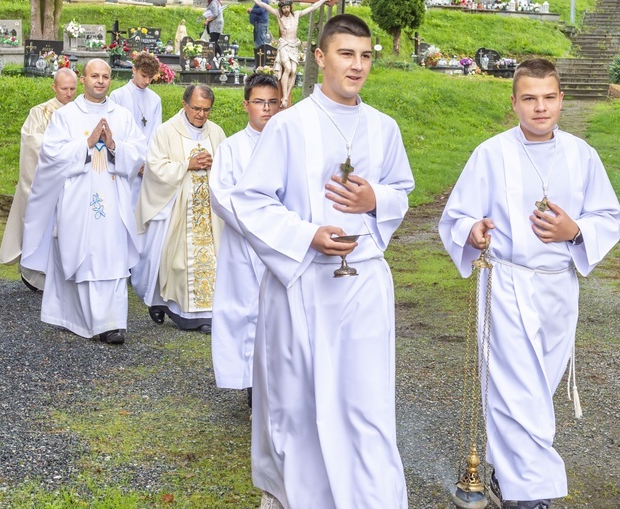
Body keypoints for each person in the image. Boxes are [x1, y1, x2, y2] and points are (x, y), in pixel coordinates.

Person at [231, 14, 413, 508]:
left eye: (366, 56)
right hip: (302, 285)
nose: (357, 66)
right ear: (319, 57)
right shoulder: (289, 125)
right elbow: (251, 200)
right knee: (299, 400)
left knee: (365, 398)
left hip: (363, 283)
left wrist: (375, 198)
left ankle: (369, 497)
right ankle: (302, 496)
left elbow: (402, 191)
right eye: (346, 54)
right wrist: (309, 234)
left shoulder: (384, 127)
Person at [438, 59, 620, 509]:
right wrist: (473, 231)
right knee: (511, 386)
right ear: (514, 102)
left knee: (538, 387)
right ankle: (531, 491)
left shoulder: (582, 155)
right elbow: (457, 215)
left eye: (548, 97)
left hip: (557, 288)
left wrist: (574, 231)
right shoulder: (491, 153)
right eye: (529, 98)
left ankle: (506, 473)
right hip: (506, 283)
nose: (540, 108)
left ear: (561, 99)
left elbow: (609, 217)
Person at [21, 59, 146, 345]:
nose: (100, 81)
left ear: (110, 80)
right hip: (78, 199)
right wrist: (86, 144)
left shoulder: (122, 116)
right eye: (94, 76)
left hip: (113, 198)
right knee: (84, 256)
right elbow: (50, 156)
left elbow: (140, 152)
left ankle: (113, 323)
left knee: (112, 256)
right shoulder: (66, 116)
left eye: (105, 76)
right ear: (84, 78)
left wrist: (114, 146)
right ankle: (84, 320)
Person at [209, 74, 280, 401]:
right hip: (244, 244)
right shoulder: (232, 147)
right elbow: (220, 196)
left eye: (272, 102)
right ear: (245, 105)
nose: (266, 109)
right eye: (259, 102)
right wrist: (254, 224)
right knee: (244, 311)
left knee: (279, 315)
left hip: (281, 243)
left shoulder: (290, 143)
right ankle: (251, 382)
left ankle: (280, 383)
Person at [133, 84, 226, 334]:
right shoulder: (166, 132)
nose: (201, 115)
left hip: (208, 212)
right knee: (177, 263)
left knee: (212, 261)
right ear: (184, 104)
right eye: (196, 108)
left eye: (206, 110)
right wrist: (188, 165)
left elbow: (228, 167)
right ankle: (170, 306)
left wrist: (212, 164)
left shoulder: (216, 133)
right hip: (177, 208)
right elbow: (155, 167)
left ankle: (205, 314)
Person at [0, 68, 78, 292]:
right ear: (54, 87)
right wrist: (66, 148)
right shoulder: (40, 112)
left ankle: (67, 275)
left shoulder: (82, 111)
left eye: (73, 88)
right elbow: (33, 144)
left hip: (73, 183)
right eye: (64, 89)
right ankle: (37, 275)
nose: (69, 93)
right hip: (47, 183)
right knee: (43, 229)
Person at [252, 0, 328, 108]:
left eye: (287, 7)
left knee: (293, 71)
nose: (285, 10)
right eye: (283, 8)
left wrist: (323, 0)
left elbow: (312, 8)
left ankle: (286, 94)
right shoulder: (278, 15)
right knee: (287, 68)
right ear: (281, 9)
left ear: (290, 7)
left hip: (294, 46)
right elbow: (264, 5)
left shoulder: (296, 15)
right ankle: (285, 97)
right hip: (284, 45)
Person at [110, 51, 163, 206]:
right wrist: (134, 160)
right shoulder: (118, 96)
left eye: (150, 77)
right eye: (143, 75)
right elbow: (117, 131)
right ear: (134, 70)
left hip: (147, 164)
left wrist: (147, 161)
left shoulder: (155, 99)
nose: (147, 81)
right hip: (125, 160)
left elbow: (156, 132)